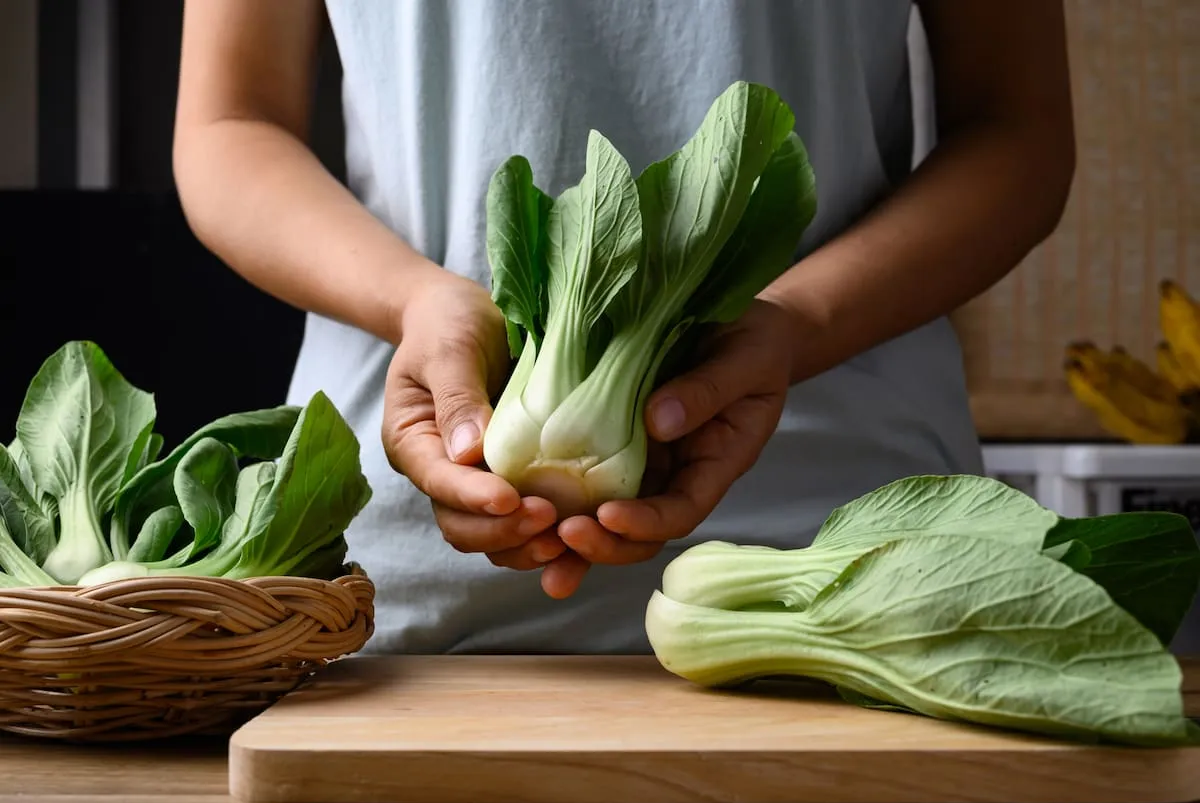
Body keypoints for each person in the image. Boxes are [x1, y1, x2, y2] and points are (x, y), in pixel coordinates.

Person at [172, 0, 1075, 654]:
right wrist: (415, 300)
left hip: (849, 565)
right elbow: (228, 122)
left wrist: (796, 325)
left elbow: (1018, 130)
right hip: (390, 587)